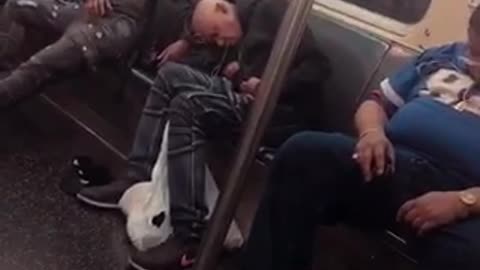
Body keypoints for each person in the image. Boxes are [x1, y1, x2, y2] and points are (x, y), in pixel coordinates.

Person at [76, 0, 330, 269]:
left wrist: (272, 84)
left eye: (217, 35)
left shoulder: (272, 10)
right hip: (252, 101)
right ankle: (135, 177)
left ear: (222, 8)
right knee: (170, 75)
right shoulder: (241, 23)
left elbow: (319, 67)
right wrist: (241, 73)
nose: (220, 43)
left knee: (187, 105)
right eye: (214, 39)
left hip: (281, 115)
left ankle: (191, 235)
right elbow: (256, 63)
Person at [241, 5, 480, 270]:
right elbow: (374, 103)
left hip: (466, 195)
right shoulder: (441, 57)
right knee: (303, 155)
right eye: (473, 40)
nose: (471, 55)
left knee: (468, 254)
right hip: (393, 163)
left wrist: (463, 203)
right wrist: (372, 133)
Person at [0, 0, 189, 108]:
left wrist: (187, 40)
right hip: (86, 12)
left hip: (119, 26)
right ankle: (5, 72)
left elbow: (208, 9)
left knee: (44, 61)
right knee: (17, 6)